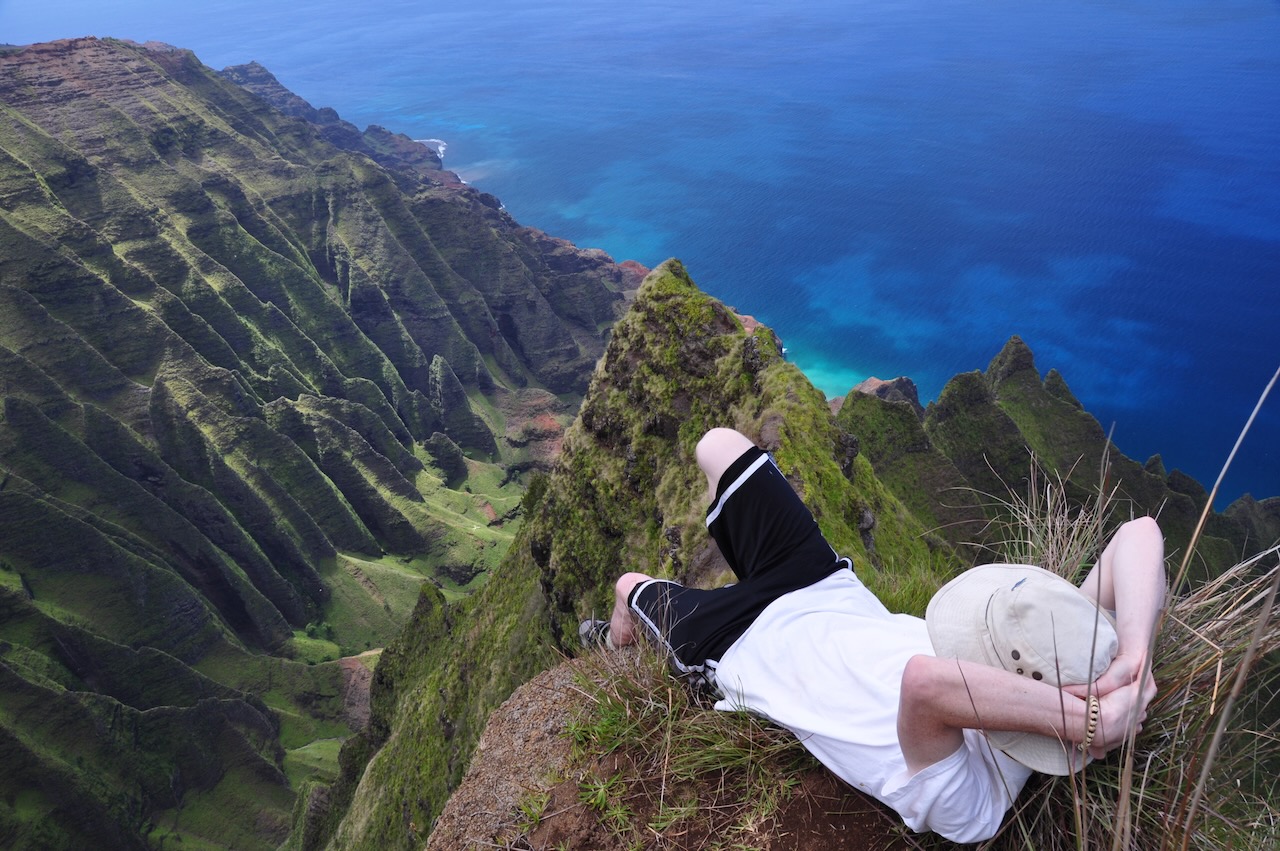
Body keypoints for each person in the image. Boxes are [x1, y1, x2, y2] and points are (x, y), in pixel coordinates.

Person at [580, 428, 1165, 843]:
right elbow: (1138, 533)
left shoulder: (977, 806)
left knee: (632, 583)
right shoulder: (1057, 654)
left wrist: (1090, 724)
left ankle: (613, 636)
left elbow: (927, 683)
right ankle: (643, 605)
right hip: (821, 587)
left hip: (736, 641)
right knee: (717, 444)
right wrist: (1133, 661)